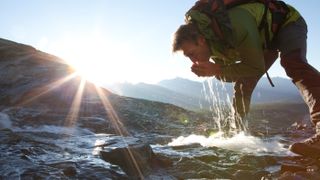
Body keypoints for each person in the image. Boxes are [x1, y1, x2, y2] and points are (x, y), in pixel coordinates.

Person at [172, 0, 320, 157]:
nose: (193, 61)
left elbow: (255, 67)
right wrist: (215, 71)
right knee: (244, 83)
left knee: (293, 63)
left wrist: (218, 69)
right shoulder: (214, 43)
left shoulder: (235, 24)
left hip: (287, 22)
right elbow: (232, 75)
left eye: (192, 54)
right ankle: (238, 133)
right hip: (264, 39)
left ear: (201, 40)